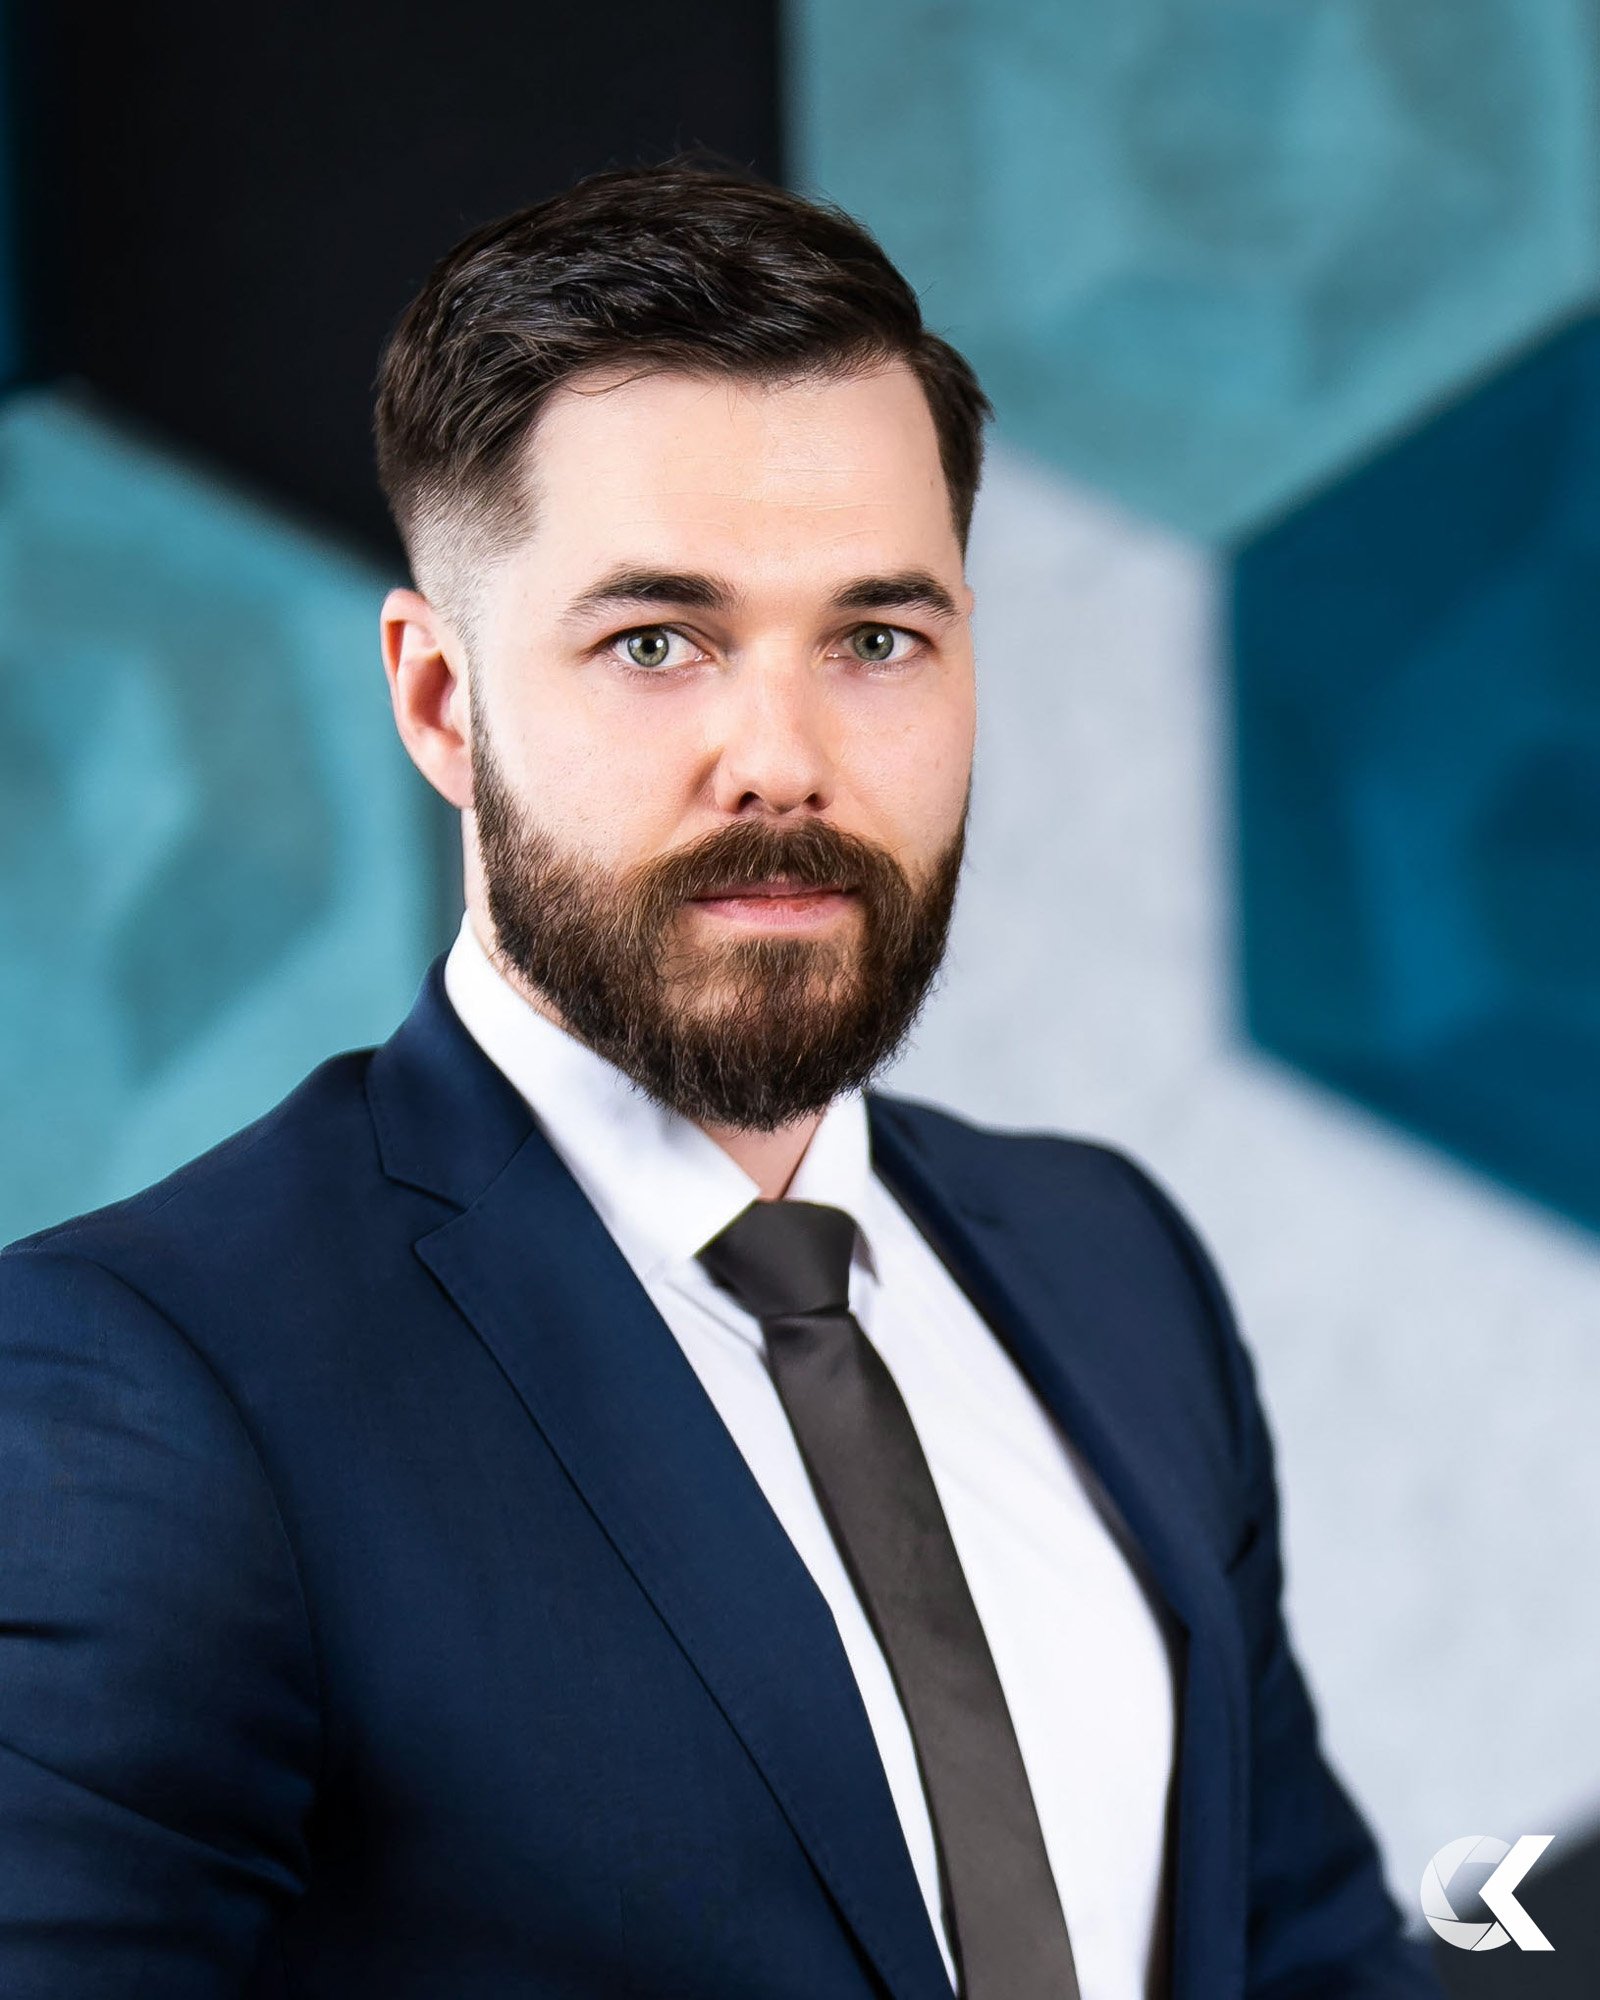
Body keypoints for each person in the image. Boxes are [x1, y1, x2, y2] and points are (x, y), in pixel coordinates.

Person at [0, 159, 1441, 2000]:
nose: (784, 755)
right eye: (657, 642)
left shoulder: (1111, 1263)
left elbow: (1309, 1948)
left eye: (874, 638)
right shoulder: (143, 1386)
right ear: (443, 702)